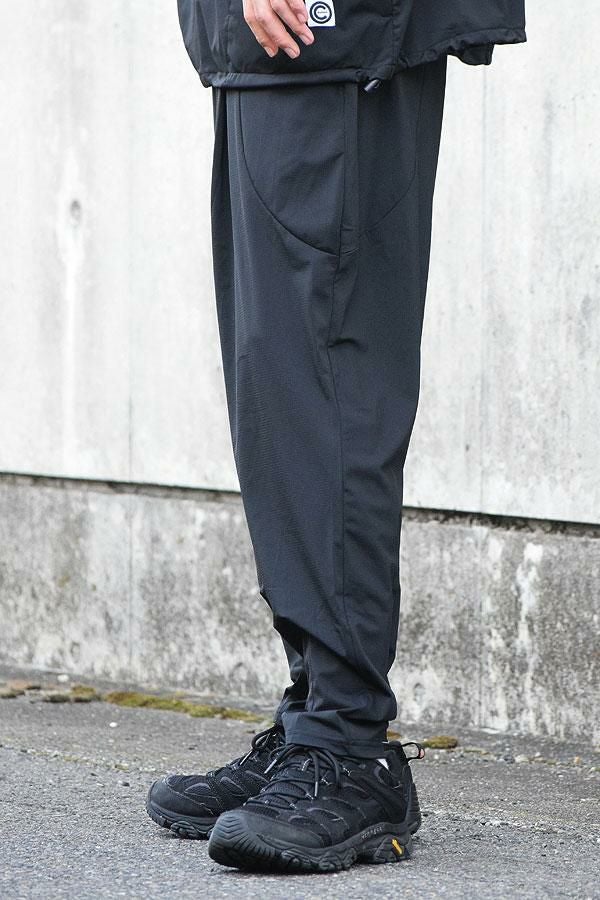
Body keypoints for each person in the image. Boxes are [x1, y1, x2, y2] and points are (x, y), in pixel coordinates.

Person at [146, 0, 526, 873]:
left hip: (335, 30)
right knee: (280, 385)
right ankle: (316, 712)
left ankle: (348, 748)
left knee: (329, 379)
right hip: (269, 46)